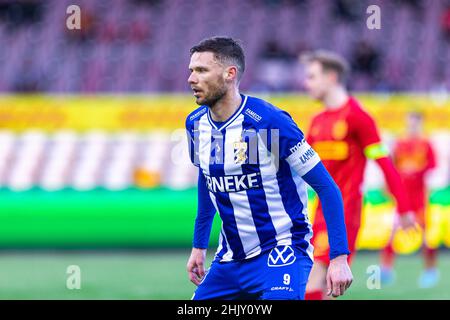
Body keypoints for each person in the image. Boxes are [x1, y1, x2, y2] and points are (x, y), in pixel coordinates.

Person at [185, 37, 353, 300]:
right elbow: (206, 182)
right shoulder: (195, 124)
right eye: (191, 71)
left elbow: (326, 187)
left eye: (202, 71)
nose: (192, 79)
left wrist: (339, 257)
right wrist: (198, 246)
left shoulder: (270, 122)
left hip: (281, 254)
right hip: (229, 260)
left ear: (230, 74)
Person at [300, 50, 415, 300]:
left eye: (311, 76)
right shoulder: (317, 121)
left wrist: (404, 209)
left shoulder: (358, 117)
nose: (305, 83)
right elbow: (297, 167)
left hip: (345, 213)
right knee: (325, 288)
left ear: (331, 77)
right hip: (316, 213)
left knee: (312, 279)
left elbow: (386, 165)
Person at [380, 111, 438, 288]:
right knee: (393, 231)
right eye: (409, 122)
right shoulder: (399, 143)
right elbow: (390, 166)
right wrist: (389, 187)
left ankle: (430, 270)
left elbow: (433, 164)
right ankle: (385, 270)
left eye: (414, 123)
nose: (411, 126)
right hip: (402, 197)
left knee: (425, 235)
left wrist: (417, 170)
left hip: (419, 197)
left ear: (420, 123)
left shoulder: (426, 143)